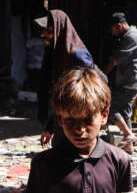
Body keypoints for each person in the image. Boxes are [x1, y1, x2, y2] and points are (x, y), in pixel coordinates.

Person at [34, 9, 98, 147]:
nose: (43, 34)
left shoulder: (77, 56)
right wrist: (50, 127)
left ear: (58, 30)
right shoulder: (56, 54)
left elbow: (89, 92)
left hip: (78, 123)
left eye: (48, 31)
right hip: (64, 120)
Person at [105, 12, 137, 145]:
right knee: (125, 113)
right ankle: (129, 146)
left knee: (109, 108)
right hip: (134, 81)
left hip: (129, 82)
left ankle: (129, 135)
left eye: (113, 30)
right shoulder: (135, 32)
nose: (112, 34)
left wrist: (102, 74)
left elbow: (114, 60)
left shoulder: (130, 37)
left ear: (119, 26)